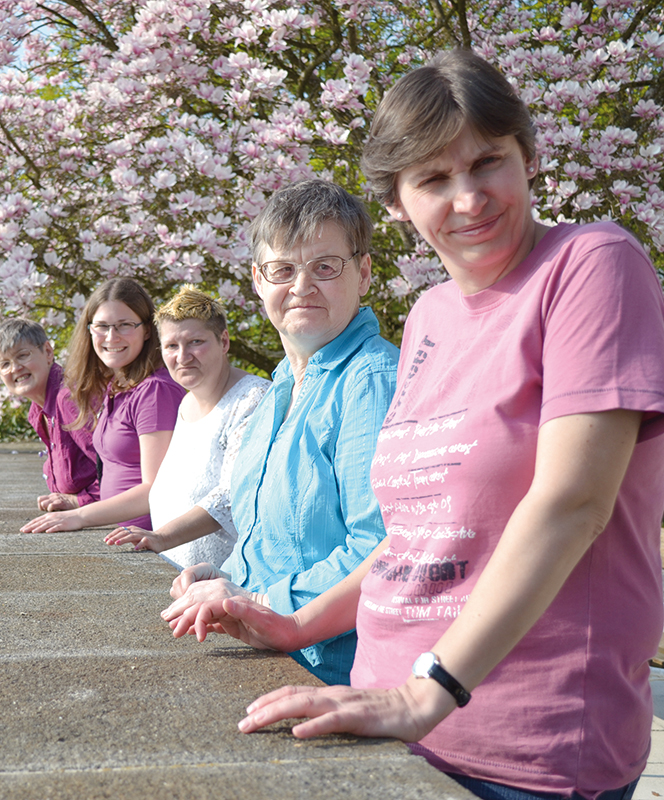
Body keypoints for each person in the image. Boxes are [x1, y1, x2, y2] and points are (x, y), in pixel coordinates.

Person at [173, 50, 664, 800]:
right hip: (381, 717)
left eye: (487, 163)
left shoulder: (593, 265)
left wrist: (428, 690)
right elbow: (417, 536)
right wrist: (297, 624)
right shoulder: (432, 314)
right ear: (399, 201)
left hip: (523, 746)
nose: (467, 198)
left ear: (529, 159)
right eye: (434, 179)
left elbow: (574, 504)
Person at [162, 180, 400, 685]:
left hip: (335, 673)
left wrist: (257, 600)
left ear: (363, 274)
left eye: (325, 267)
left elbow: (383, 546)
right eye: (283, 269)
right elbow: (281, 538)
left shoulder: (373, 383)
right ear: (256, 279)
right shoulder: (279, 388)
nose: (301, 286)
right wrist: (231, 576)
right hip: (273, 655)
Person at [103, 285, 270, 568]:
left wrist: (162, 537)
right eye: (171, 346)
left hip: (227, 584)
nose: (182, 356)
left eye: (195, 342)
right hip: (177, 576)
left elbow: (232, 496)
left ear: (224, 341)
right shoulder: (186, 403)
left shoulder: (253, 399)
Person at [21, 278, 185, 533]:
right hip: (122, 537)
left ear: (148, 330)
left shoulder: (155, 390)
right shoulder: (118, 387)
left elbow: (155, 489)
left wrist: (81, 516)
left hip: (152, 544)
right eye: (102, 326)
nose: (111, 337)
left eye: (124, 325)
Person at [0, 317, 99, 512]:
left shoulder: (68, 398)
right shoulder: (37, 411)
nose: (15, 368)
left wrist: (79, 501)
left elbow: (116, 469)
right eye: (4, 364)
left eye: (23, 355)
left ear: (48, 352)